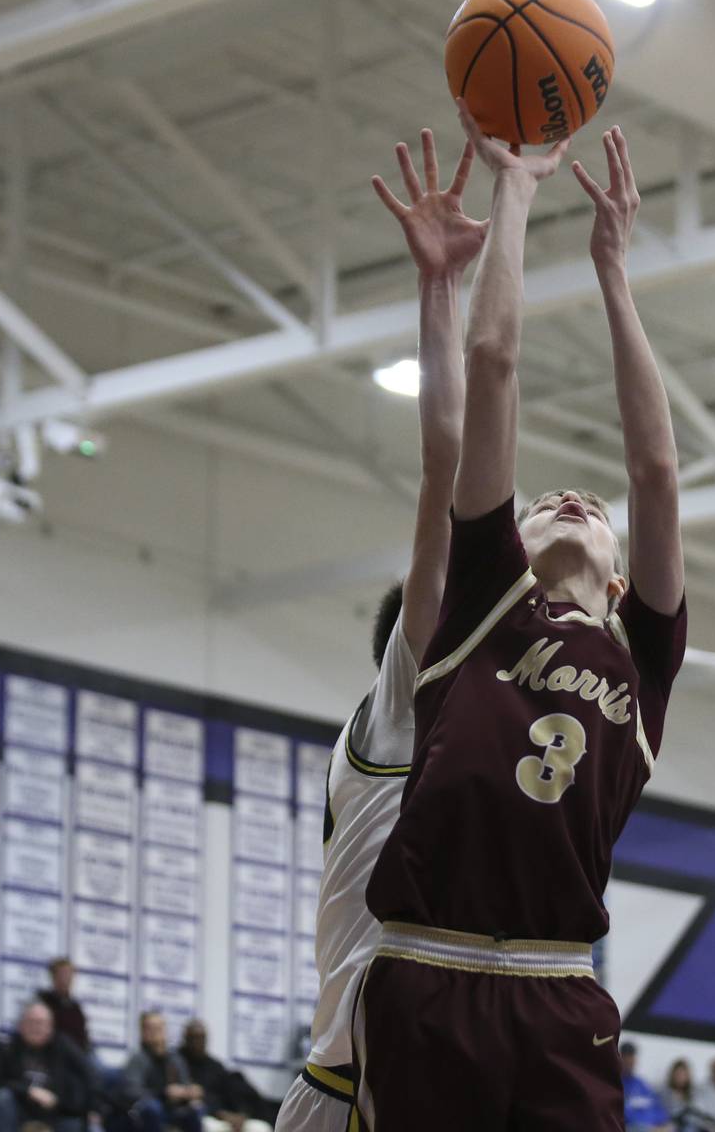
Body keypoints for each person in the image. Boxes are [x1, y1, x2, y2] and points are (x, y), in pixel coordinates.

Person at [357, 104, 686, 1131]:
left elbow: (658, 472)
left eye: (589, 508)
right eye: (547, 497)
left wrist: (614, 270)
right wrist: (517, 188)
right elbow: (491, 367)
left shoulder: (645, 654)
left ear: (626, 585)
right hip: (429, 968)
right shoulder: (484, 603)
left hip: (561, 987)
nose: (573, 499)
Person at [272, 126, 484, 1132]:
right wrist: (440, 291)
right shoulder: (399, 710)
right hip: (352, 1098)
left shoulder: (462, 748)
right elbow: (445, 479)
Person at [0, 1001, 92, 1132]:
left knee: (79, 1121)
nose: (36, 1027)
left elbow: (85, 1079)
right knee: (1, 1098)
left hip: (54, 1113)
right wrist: (28, 1091)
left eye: (41, 1023)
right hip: (20, 1110)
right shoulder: (8, 1048)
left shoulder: (63, 1048)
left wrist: (57, 1100)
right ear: (21, 1025)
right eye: (31, 1022)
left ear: (50, 1027)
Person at [178, 1021, 270, 1132]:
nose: (198, 1042)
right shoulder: (179, 1063)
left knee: (260, 1128)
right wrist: (220, 1114)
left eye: (202, 1038)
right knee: (209, 1127)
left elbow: (230, 1093)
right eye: (194, 1038)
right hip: (205, 1116)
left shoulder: (215, 1066)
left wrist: (240, 1114)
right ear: (185, 1039)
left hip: (227, 1116)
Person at [122, 1012, 201, 1132]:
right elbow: (131, 1091)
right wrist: (164, 1093)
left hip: (174, 1109)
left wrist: (189, 1091)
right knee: (152, 1108)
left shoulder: (175, 1059)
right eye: (151, 1028)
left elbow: (184, 1083)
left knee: (195, 1109)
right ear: (143, 1033)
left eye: (159, 1028)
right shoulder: (137, 1059)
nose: (155, 1033)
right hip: (149, 1111)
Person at [38, 958, 91, 1055]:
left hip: (81, 1052)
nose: (66, 978)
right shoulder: (44, 1002)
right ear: (53, 977)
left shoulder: (75, 1006)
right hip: (59, 1054)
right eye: (62, 974)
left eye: (69, 975)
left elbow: (84, 1035)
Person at [621, 1043, 672, 1132]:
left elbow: (658, 1109)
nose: (629, 1061)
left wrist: (663, 1125)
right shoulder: (615, 1084)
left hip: (654, 1128)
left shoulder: (642, 1084)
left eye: (631, 1057)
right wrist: (651, 1129)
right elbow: (623, 1115)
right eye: (626, 1057)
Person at [660, 1060, 694, 1131]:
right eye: (678, 1074)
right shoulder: (665, 1093)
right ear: (672, 1075)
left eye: (683, 1074)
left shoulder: (692, 1094)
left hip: (688, 1126)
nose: (680, 1077)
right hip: (670, 1124)